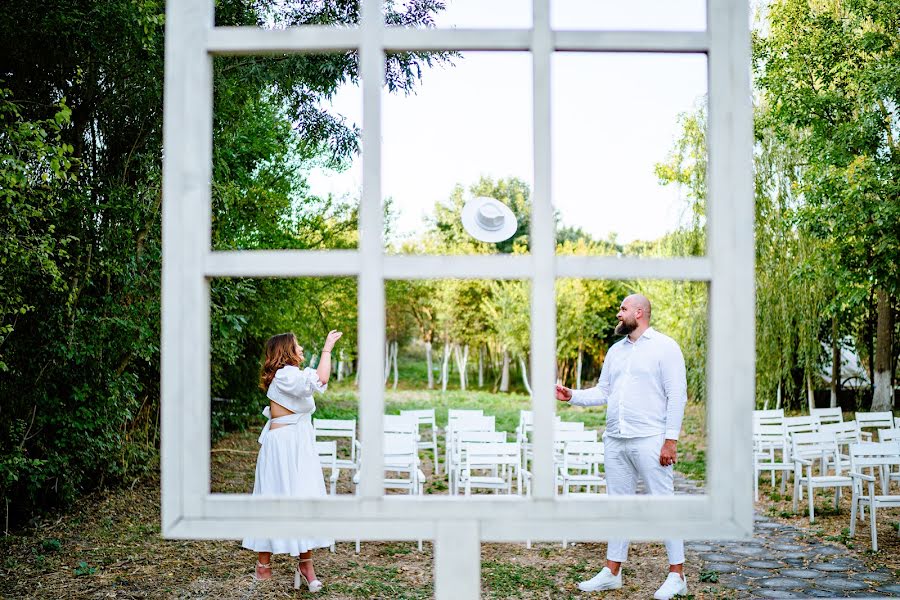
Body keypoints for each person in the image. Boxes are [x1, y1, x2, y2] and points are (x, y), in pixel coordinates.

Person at [556, 294, 688, 600]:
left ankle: (677, 575)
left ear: (639, 312)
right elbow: (604, 391)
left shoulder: (665, 347)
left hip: (650, 439)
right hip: (615, 439)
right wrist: (572, 395)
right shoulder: (615, 352)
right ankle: (612, 573)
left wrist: (670, 440)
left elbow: (677, 395)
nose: (618, 314)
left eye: (623, 309)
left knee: (664, 504)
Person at [242, 329, 343, 592]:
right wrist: (327, 347)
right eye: (297, 346)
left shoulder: (290, 376)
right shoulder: (286, 375)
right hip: (284, 446)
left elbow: (318, 382)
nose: (300, 349)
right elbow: (320, 378)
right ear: (286, 351)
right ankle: (264, 566)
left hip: (298, 444)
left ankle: (305, 564)